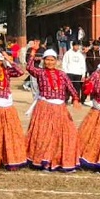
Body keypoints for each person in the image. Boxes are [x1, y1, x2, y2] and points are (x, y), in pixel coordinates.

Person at [24, 43, 82, 171]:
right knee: (44, 134)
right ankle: (43, 161)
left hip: (60, 107)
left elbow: (70, 87)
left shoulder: (62, 74)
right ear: (43, 61)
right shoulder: (40, 73)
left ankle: (60, 160)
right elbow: (28, 67)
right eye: (47, 59)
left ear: (56, 61)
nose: (49, 62)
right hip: (44, 106)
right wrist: (33, 52)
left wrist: (76, 99)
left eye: (52, 59)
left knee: (66, 133)